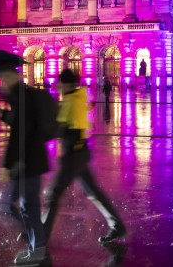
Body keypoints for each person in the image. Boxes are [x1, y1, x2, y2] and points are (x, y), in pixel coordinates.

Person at [43, 69, 126, 246]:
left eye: (60, 84)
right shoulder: (80, 96)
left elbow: (59, 127)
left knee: (54, 193)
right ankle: (116, 225)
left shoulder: (70, 101)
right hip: (81, 152)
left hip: (73, 155)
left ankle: (40, 236)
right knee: (93, 191)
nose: (58, 88)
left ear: (66, 84)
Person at [0, 66, 57, 266]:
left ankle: (37, 249)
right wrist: (2, 113)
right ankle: (35, 240)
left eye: (3, 79)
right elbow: (22, 124)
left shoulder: (21, 98)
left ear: (11, 78)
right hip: (30, 160)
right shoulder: (23, 96)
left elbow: (19, 135)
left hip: (28, 161)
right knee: (17, 205)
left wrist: (6, 166)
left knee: (28, 207)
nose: (1, 84)